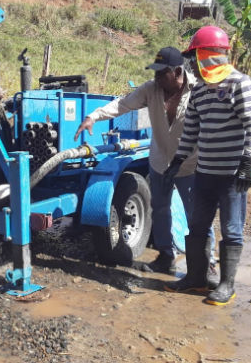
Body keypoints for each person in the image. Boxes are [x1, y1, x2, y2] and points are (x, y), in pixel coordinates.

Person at [74, 46, 216, 275]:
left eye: (162, 72)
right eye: (155, 72)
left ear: (177, 71)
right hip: (160, 162)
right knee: (159, 210)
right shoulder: (151, 89)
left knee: (197, 214)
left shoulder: (198, 90)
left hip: (190, 164)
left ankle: (208, 263)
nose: (156, 76)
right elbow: (122, 104)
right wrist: (93, 116)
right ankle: (166, 257)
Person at [162, 26, 251, 306]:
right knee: (197, 226)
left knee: (232, 229)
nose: (193, 62)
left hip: (232, 176)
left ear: (212, 55)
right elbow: (191, 131)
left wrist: (246, 162)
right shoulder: (199, 92)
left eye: (196, 55)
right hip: (204, 172)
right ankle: (196, 278)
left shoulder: (239, 83)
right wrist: (178, 160)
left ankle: (226, 286)